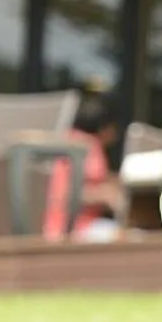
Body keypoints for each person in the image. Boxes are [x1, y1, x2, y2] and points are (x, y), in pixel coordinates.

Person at [42, 91, 122, 241]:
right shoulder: (88, 146)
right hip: (75, 228)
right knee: (129, 237)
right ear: (105, 126)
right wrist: (106, 196)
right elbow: (73, 192)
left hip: (54, 227)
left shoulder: (69, 138)